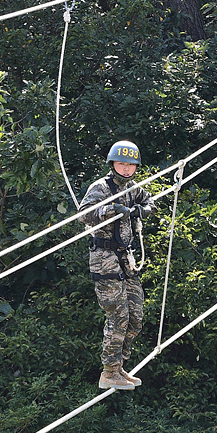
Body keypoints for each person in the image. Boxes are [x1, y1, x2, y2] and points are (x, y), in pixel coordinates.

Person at [79, 141, 155, 391]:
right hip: (105, 259)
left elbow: (151, 203)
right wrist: (111, 210)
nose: (126, 169)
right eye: (122, 164)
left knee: (136, 317)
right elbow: (83, 214)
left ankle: (119, 366)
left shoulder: (134, 189)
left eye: (130, 165)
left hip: (127, 259)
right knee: (118, 315)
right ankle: (109, 371)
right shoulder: (100, 187)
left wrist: (140, 211)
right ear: (113, 164)